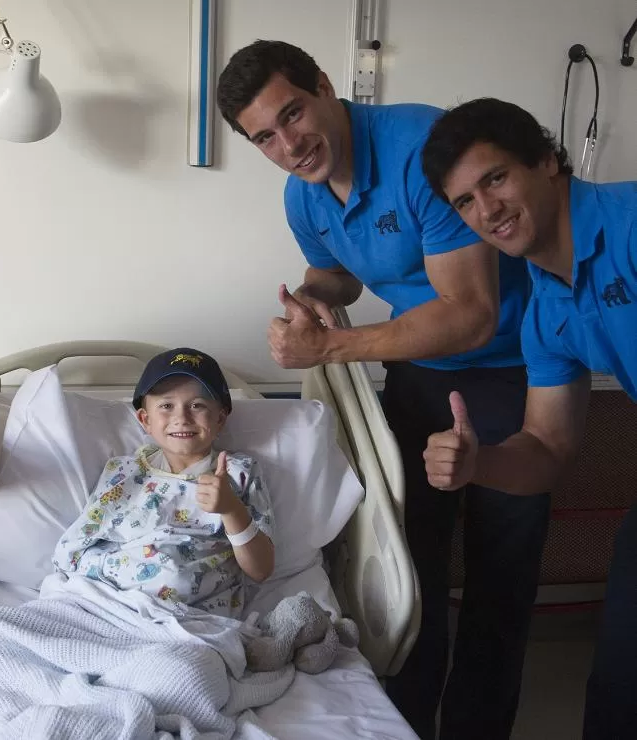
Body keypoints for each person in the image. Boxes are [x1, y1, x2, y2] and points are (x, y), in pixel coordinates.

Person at [217, 40, 546, 740]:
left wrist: (333, 345)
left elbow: (470, 312)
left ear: (327, 86)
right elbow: (338, 275)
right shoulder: (303, 193)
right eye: (265, 138)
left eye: (294, 114)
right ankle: (406, 722)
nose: (290, 144)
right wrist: (309, 300)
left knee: (498, 576)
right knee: (411, 571)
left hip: (509, 369)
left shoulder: (421, 151)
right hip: (418, 372)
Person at [421, 97, 637, 740]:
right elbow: (547, 445)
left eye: (495, 178)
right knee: (619, 692)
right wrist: (479, 462)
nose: (486, 210)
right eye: (463, 201)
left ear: (546, 161)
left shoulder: (629, 224)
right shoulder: (545, 312)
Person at [53, 348, 275, 617]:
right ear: (145, 420)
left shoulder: (239, 474)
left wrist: (231, 510)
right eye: (166, 406)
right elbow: (76, 545)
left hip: (191, 621)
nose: (182, 417)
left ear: (220, 418)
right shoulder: (123, 472)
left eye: (198, 405)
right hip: (110, 606)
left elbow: (260, 570)